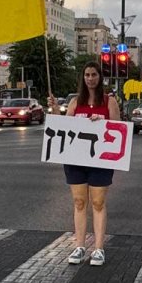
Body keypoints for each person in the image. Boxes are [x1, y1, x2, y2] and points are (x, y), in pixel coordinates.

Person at [48, 61, 121, 267]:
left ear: (100, 77)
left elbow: (119, 129)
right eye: (87, 75)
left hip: (100, 161)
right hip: (76, 160)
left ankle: (98, 248)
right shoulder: (74, 102)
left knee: (98, 203)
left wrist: (104, 123)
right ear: (83, 77)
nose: (90, 78)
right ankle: (80, 245)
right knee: (79, 202)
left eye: (94, 74)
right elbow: (63, 127)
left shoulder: (109, 102)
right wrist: (54, 110)